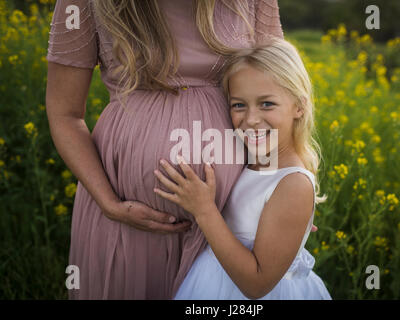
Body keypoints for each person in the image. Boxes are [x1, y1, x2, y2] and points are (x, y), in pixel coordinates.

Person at [45, 0, 305, 299]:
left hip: (230, 224)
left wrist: (291, 192)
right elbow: (65, 114)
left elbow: (281, 93)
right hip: (123, 215)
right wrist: (109, 204)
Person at [154, 38, 331, 299]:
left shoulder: (293, 183)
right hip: (213, 278)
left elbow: (256, 285)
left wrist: (204, 210)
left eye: (267, 104)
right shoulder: (249, 157)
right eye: (239, 105)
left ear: (299, 106)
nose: (250, 119)